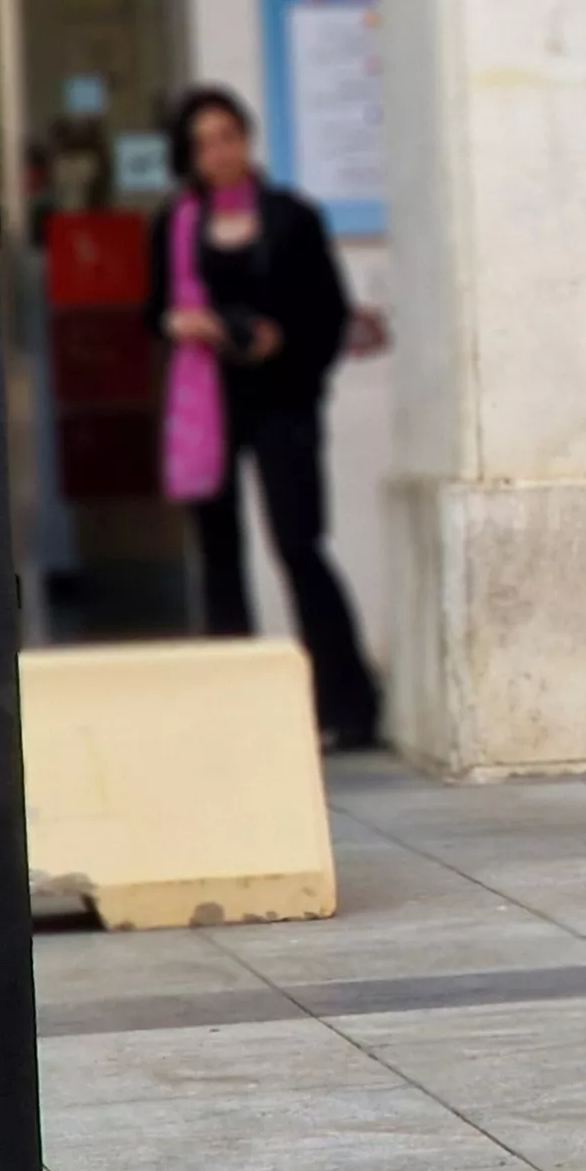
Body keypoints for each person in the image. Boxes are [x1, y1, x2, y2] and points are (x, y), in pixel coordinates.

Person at [148, 85, 380, 751]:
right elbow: (150, 310)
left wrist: (280, 341)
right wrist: (180, 321)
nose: (219, 151)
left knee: (299, 546)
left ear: (246, 140)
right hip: (207, 407)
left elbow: (328, 314)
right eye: (204, 142)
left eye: (228, 136)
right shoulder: (175, 223)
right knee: (219, 557)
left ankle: (348, 706)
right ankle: (233, 712)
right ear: (188, 155)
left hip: (282, 400)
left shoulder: (291, 217)